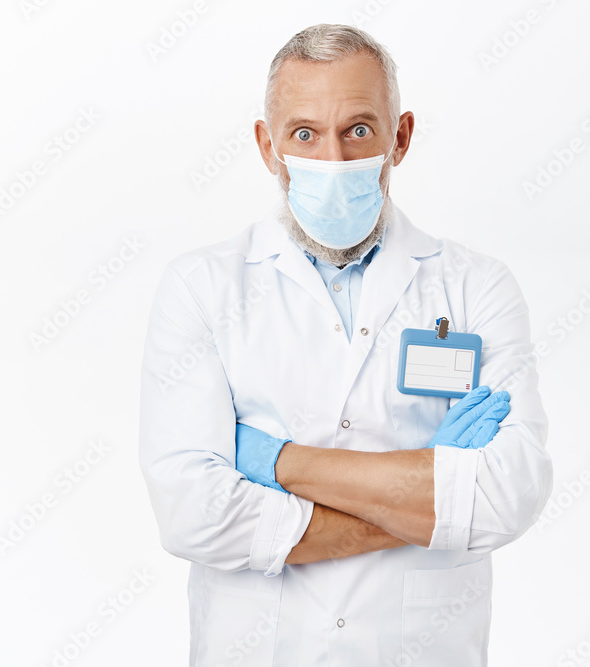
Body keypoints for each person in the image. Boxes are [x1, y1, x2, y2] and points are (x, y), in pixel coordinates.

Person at [138, 23, 553, 666]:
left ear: (401, 137)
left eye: (358, 129)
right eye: (304, 134)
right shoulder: (202, 287)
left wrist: (276, 462)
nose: (332, 160)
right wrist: (425, 489)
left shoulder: (476, 287)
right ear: (266, 146)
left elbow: (507, 497)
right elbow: (194, 515)